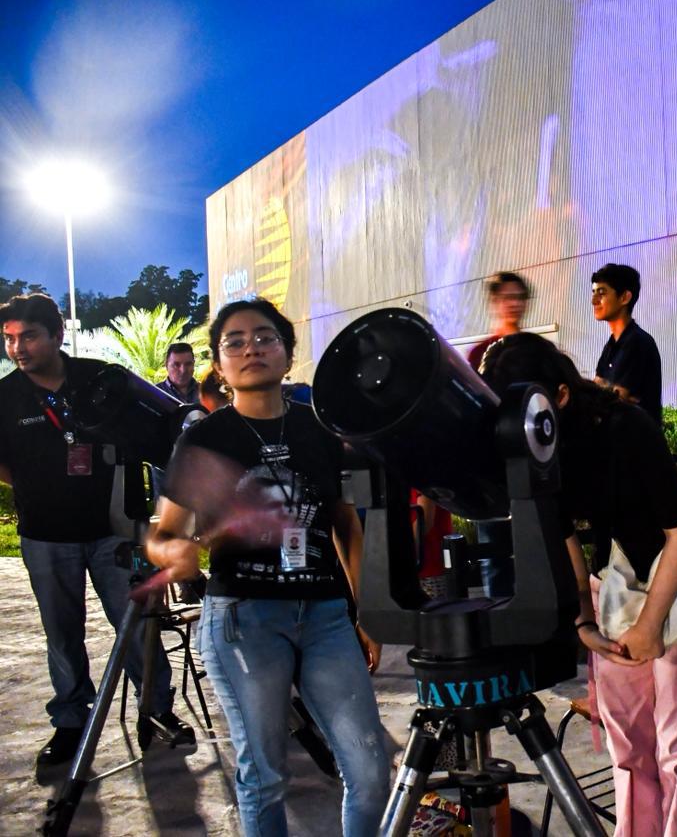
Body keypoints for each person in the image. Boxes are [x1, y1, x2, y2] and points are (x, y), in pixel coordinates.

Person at [147, 299, 389, 836]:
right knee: (265, 775)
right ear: (219, 362)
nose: (251, 347)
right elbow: (163, 534)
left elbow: (346, 525)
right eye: (234, 341)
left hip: (326, 616)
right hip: (243, 621)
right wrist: (176, 553)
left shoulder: (321, 429)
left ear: (287, 351)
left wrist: (365, 611)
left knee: (371, 770)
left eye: (265, 337)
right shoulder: (204, 438)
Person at [480, 332, 677, 837]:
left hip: (673, 595)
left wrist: (651, 624)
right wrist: (582, 622)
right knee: (628, 747)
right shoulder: (535, 444)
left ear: (560, 395)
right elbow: (564, 538)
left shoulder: (625, 426)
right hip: (612, 594)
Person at [0, 293, 191, 769]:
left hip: (114, 530)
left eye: (28, 336)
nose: (18, 348)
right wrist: (34, 483)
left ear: (57, 335)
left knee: (134, 624)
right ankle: (70, 722)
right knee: (61, 633)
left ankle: (158, 708)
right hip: (45, 534)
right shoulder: (5, 397)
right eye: (9, 339)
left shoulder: (100, 375)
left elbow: (170, 419)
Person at [591, 262, 663, 422]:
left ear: (624, 297)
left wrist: (607, 391)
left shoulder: (638, 342)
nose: (594, 300)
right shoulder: (611, 345)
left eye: (601, 293)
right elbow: (598, 390)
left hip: (637, 442)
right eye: (593, 292)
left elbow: (616, 399)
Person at [466, 271, 530, 371]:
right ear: (494, 301)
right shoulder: (479, 353)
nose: (515, 303)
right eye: (508, 298)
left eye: (520, 298)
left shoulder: (535, 349)